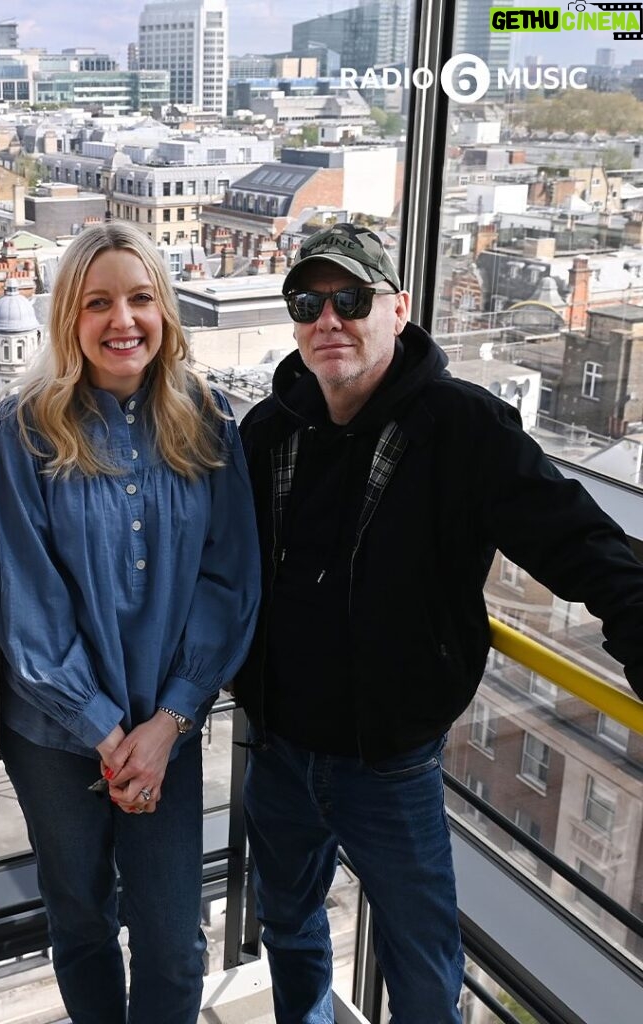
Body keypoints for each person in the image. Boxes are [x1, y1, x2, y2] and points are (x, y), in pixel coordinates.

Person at [236, 221, 643, 1023]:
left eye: (350, 298)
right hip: (281, 746)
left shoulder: (462, 428)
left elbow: (579, 542)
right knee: (288, 928)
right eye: (307, 301)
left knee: (423, 969)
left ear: (399, 306)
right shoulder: (268, 432)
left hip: (389, 761)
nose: (328, 319)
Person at [0, 222, 260, 1024]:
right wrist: (109, 735)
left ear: (166, 311)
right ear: (69, 318)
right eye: (98, 301)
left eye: (141, 298)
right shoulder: (26, 428)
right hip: (55, 737)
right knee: (80, 923)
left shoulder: (207, 421)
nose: (123, 320)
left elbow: (228, 581)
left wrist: (167, 724)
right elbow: (24, 597)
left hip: (165, 733)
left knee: (176, 941)